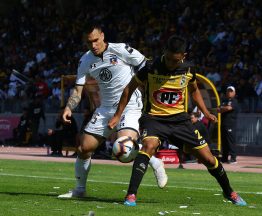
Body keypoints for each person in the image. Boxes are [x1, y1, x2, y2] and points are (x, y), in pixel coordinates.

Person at [108, 35, 247, 206]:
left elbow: (195, 90)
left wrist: (205, 111)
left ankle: (230, 193)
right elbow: (129, 89)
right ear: (165, 52)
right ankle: (130, 196)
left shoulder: (188, 70)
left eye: (176, 61)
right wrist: (117, 115)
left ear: (183, 56)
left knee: (209, 159)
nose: (171, 64)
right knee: (148, 146)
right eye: (169, 59)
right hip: (154, 119)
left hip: (181, 121)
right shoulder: (151, 67)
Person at [58, 21, 167, 199]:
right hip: (106, 108)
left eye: (95, 40)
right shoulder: (85, 60)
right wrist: (69, 107)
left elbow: (146, 67)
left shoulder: (121, 49)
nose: (93, 45)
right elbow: (78, 90)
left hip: (130, 105)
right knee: (84, 148)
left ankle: (154, 160)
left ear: (102, 36)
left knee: (124, 147)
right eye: (88, 42)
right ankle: (79, 189)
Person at [217, 86, 239, 164]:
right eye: (228, 91)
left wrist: (223, 108)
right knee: (224, 141)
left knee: (230, 141)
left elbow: (229, 108)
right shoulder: (224, 100)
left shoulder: (234, 101)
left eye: (231, 91)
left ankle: (233, 158)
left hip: (231, 124)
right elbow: (218, 109)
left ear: (234, 93)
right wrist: (224, 108)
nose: (229, 93)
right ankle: (224, 158)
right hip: (223, 124)